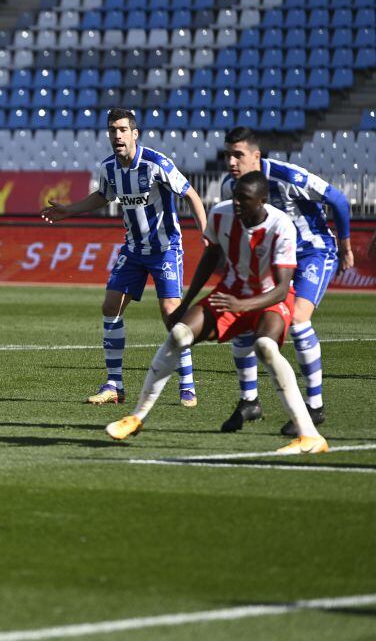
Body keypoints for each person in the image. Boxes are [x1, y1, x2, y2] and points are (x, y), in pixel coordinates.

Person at [106, 172, 328, 454]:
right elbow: (210, 257)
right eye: (235, 196)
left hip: (268, 299)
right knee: (178, 334)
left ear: (262, 201)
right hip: (230, 293)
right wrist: (186, 304)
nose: (236, 203)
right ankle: (136, 417)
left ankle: (309, 435)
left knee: (265, 347)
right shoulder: (221, 214)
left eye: (244, 199)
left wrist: (242, 307)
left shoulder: (281, 225)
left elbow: (283, 289)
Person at [41, 108, 207, 407]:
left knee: (172, 315)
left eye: (122, 129)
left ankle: (187, 384)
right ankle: (114, 385)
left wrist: (206, 233)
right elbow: (102, 196)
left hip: (165, 249)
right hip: (133, 250)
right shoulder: (109, 168)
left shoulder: (156, 163)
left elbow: (191, 195)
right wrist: (69, 209)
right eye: (112, 130)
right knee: (110, 306)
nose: (116, 135)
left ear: (134, 133)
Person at [218, 126, 353, 436]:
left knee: (298, 321)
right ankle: (249, 400)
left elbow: (339, 200)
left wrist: (345, 246)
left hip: (312, 253)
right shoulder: (231, 186)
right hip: (272, 260)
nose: (231, 162)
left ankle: (315, 406)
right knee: (243, 322)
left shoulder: (288, 176)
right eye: (228, 155)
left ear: (256, 155)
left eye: (238, 155)